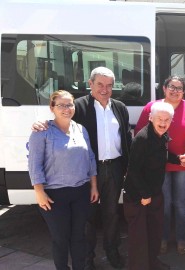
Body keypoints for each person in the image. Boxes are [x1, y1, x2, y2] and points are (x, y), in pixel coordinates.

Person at [32, 67, 131, 270]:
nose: (105, 89)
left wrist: (127, 167)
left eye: (109, 85)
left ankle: (112, 252)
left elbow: (126, 139)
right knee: (87, 217)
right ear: (90, 84)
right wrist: (41, 123)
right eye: (100, 84)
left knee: (111, 214)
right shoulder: (78, 106)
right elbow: (60, 121)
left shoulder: (120, 107)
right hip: (87, 172)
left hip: (114, 168)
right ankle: (87, 258)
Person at [28, 90, 99, 270]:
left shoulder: (81, 129)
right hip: (54, 195)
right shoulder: (42, 132)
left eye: (69, 105)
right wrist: (39, 192)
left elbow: (90, 158)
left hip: (80, 192)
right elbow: (34, 164)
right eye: (61, 105)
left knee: (79, 237)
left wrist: (94, 186)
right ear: (52, 107)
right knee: (60, 238)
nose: (66, 109)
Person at [134, 75, 185, 255]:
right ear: (164, 89)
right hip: (158, 166)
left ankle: (181, 239)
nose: (175, 91)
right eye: (171, 87)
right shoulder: (152, 107)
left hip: (183, 164)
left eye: (179, 88)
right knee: (163, 203)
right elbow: (140, 131)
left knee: (180, 202)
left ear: (183, 91)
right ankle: (162, 238)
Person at [123, 102, 180, 270]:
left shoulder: (161, 135)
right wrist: (144, 194)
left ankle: (152, 263)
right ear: (150, 118)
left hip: (154, 193)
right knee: (139, 238)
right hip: (139, 197)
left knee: (154, 233)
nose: (163, 123)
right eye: (159, 119)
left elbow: (162, 155)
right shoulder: (142, 138)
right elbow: (133, 170)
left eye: (167, 120)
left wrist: (178, 159)